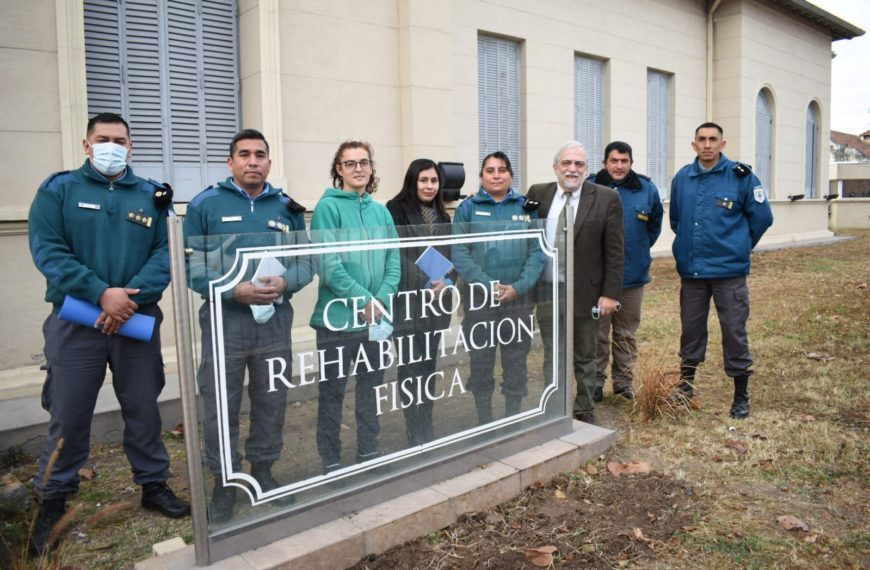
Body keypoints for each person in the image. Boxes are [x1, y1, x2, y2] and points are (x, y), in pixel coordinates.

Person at [27, 113, 188, 555]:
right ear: (86, 145)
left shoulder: (152, 196)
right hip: (76, 320)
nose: (111, 146)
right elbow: (48, 251)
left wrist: (125, 301)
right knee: (69, 411)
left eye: (119, 140)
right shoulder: (58, 191)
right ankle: (54, 498)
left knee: (143, 407)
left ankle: (153, 485)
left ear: (131, 146)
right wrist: (101, 294)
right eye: (103, 139)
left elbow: (165, 255)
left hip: (135, 319)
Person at [184, 129, 313, 523]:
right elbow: (191, 264)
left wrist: (288, 282)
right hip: (227, 321)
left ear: (270, 164)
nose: (252, 161)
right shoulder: (206, 205)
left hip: (274, 321)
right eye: (244, 154)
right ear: (231, 162)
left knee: (271, 398)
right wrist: (228, 288)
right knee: (221, 402)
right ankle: (225, 482)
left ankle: (263, 473)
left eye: (260, 155)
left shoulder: (286, 208)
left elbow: (306, 260)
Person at [669, 122, 773, 418]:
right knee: (690, 330)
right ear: (694, 144)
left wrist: (739, 244)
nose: (707, 145)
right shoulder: (683, 178)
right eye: (701, 139)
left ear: (723, 144)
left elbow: (762, 218)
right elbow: (677, 221)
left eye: (713, 139)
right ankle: (686, 385)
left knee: (734, 332)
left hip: (729, 273)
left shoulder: (741, 177)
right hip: (693, 273)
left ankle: (741, 395)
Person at [310, 140, 401, 472]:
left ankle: (369, 450)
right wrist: (364, 300)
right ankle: (331, 459)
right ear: (339, 169)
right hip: (337, 322)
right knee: (332, 393)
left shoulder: (380, 211)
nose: (359, 168)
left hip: (376, 320)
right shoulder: (327, 208)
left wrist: (381, 300)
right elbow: (329, 265)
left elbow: (394, 258)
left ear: (371, 168)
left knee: (371, 389)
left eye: (364, 163)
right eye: (351, 164)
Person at [527, 141, 624, 424]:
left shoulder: (606, 198)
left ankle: (583, 408)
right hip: (547, 290)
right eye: (566, 163)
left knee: (585, 353)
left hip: (586, 291)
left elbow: (616, 252)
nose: (572, 169)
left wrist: (609, 294)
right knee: (552, 351)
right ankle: (553, 405)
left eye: (579, 164)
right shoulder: (538, 194)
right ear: (556, 167)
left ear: (587, 169)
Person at [452, 151, 544, 425]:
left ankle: (512, 418)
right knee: (481, 361)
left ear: (511, 175)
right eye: (490, 170)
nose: (496, 175)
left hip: (518, 300)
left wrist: (518, 287)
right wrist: (487, 285)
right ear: (481, 176)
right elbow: (459, 253)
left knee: (516, 360)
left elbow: (537, 251)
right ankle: (485, 420)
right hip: (480, 301)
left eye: (502, 170)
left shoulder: (527, 205)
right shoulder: (467, 208)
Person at [386, 159, 453, 446]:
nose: (429, 186)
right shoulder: (395, 209)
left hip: (437, 304)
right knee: (410, 367)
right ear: (412, 181)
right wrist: (425, 280)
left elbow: (451, 253)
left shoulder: (443, 215)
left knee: (429, 365)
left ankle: (426, 423)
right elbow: (395, 253)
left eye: (434, 181)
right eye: (423, 180)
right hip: (408, 303)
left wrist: (446, 281)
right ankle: (414, 428)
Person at [591, 141, 663, 401]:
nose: (619, 166)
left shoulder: (647, 190)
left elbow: (653, 228)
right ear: (604, 163)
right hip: (596, 279)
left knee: (626, 333)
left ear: (631, 163)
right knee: (597, 334)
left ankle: (623, 383)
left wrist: (638, 248)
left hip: (632, 276)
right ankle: (595, 382)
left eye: (624, 161)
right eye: (614, 160)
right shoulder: (589, 188)